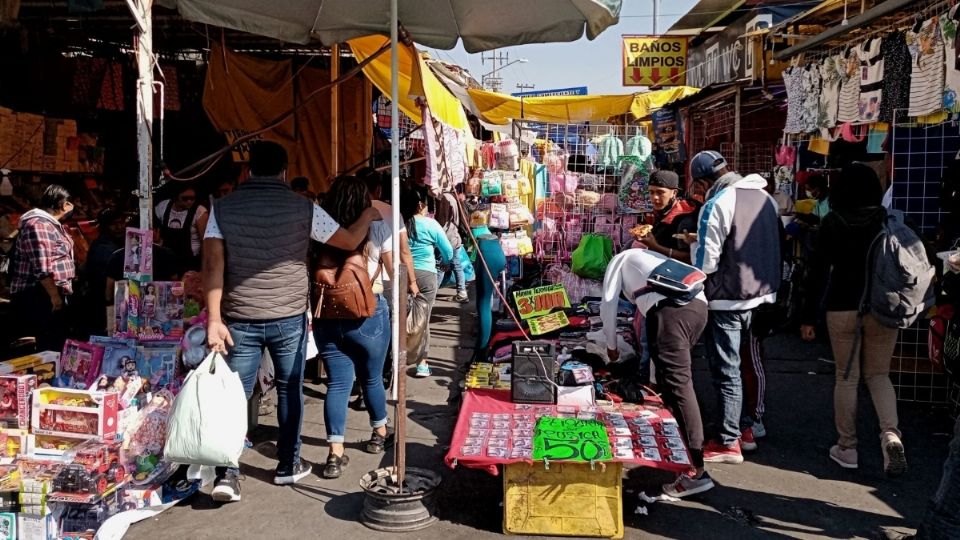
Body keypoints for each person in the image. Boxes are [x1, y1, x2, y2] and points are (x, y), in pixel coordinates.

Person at [202, 141, 380, 502]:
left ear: (248, 170)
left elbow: (212, 266)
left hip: (238, 318)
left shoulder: (221, 209)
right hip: (288, 317)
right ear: (284, 171)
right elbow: (348, 241)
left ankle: (227, 476)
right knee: (289, 390)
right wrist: (369, 215)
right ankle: (287, 465)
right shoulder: (305, 207)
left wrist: (214, 320)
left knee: (234, 397)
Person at [800, 162, 906, 476]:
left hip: (843, 308)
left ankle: (847, 448)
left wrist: (807, 317)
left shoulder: (833, 222)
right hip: (883, 308)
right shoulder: (887, 220)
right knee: (879, 375)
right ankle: (890, 434)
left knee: (847, 378)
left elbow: (816, 273)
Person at [687, 150, 781, 464]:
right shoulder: (766, 199)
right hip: (763, 296)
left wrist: (692, 244)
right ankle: (749, 427)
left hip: (727, 299)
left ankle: (728, 441)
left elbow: (706, 262)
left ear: (702, 182)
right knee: (749, 363)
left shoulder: (718, 203)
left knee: (726, 370)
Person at [602, 248, 712, 498]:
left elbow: (608, 304)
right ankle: (684, 456)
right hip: (698, 308)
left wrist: (612, 347)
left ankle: (696, 470)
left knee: (679, 385)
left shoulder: (620, 261)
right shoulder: (653, 259)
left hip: (672, 312)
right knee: (671, 383)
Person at [311, 176, 394, 479]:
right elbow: (390, 268)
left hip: (328, 315)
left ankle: (335, 454)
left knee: (338, 383)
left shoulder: (321, 229)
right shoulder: (375, 226)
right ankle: (380, 433)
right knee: (371, 378)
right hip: (368, 311)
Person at [9, 184, 76, 351]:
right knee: (47, 344)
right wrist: (54, 296)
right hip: (39, 294)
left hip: (47, 293)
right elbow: (41, 266)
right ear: (65, 204)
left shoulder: (50, 224)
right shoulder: (39, 225)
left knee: (54, 342)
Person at [401, 187, 453, 378]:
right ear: (420, 205)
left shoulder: (399, 222)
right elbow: (448, 251)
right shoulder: (430, 224)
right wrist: (445, 264)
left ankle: (396, 357)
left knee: (400, 316)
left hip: (401, 273)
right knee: (424, 318)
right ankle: (422, 362)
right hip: (426, 275)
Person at [79, 207, 127, 335]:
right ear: (105, 226)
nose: (119, 227)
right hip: (102, 305)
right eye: (114, 224)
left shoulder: (118, 244)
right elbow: (107, 284)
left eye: (121, 222)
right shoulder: (104, 248)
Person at [637, 170, 699, 264]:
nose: (655, 197)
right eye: (651, 192)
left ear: (674, 193)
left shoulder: (685, 219)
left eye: (660, 192)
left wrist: (655, 247)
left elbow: (690, 258)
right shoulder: (661, 212)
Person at [155, 184, 208, 272]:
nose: (189, 201)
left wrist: (203, 270)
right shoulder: (163, 207)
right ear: (176, 196)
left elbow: (205, 243)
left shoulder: (199, 212)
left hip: (190, 264)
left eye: (192, 198)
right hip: (166, 263)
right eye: (185, 198)